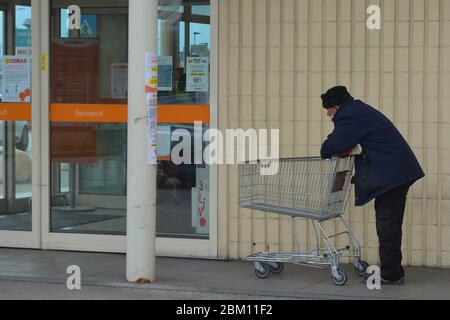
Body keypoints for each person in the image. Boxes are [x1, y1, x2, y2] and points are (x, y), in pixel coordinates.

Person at [320, 86, 425, 285]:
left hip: (394, 175)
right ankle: (392, 271)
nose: (328, 115)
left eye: (329, 110)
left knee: (387, 225)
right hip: (396, 172)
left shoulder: (350, 115)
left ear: (336, 106)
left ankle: (391, 274)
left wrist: (329, 146)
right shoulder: (358, 111)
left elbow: (331, 147)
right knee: (388, 223)